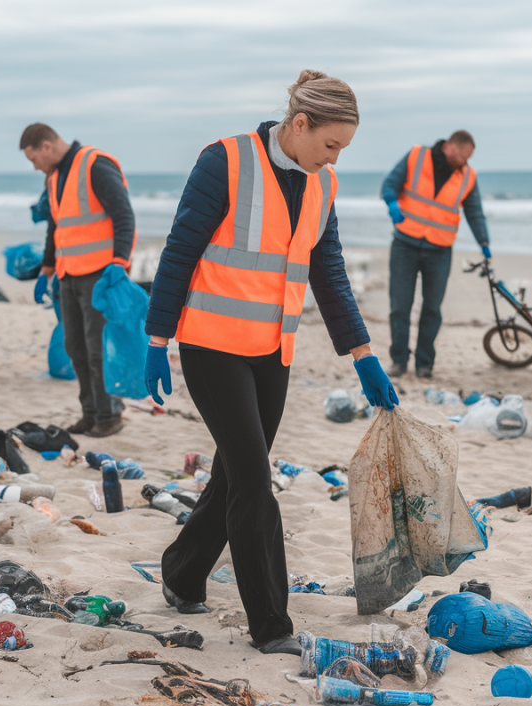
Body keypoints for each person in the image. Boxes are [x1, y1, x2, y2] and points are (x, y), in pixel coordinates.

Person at [143, 70, 398, 656]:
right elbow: (180, 250)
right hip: (210, 346)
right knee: (256, 480)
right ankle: (271, 625)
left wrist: (362, 355)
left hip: (272, 351)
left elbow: (328, 274)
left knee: (236, 472)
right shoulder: (224, 161)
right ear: (300, 124)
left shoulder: (321, 184)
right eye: (330, 145)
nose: (335, 158)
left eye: (343, 150)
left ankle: (182, 573)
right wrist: (157, 337)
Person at [19, 123, 136, 438]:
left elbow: (124, 216)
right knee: (76, 347)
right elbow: (55, 228)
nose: (35, 166)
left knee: (99, 349)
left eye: (34, 159)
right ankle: (91, 413)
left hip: (101, 274)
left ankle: (109, 415)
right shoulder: (55, 176)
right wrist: (46, 269)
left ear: (46, 146)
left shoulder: (95, 165)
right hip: (68, 275)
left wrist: (119, 263)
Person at [381, 131, 491, 378]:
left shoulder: (467, 176)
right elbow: (390, 184)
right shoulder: (417, 156)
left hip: (440, 250)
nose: (465, 161)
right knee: (400, 306)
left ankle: (424, 364)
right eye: (462, 155)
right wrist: (392, 204)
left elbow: (474, 212)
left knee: (432, 309)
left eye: (469, 158)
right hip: (404, 245)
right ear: (450, 147)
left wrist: (484, 242)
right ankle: (398, 361)